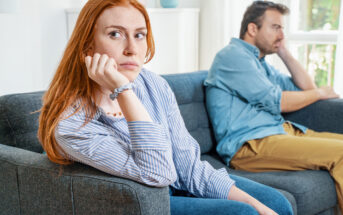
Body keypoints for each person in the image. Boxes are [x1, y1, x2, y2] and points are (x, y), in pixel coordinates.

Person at [38, 0, 293, 214]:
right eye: (115, 34)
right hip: (144, 201)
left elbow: (187, 166)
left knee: (275, 203)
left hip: (176, 183)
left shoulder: (152, 84)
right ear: (87, 44)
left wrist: (255, 203)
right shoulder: (70, 123)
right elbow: (159, 174)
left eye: (139, 35)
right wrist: (123, 91)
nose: (132, 49)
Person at [205, 0, 343, 212]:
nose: (281, 34)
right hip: (250, 144)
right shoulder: (232, 57)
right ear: (253, 28)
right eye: (275, 27)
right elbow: (278, 101)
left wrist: (284, 53)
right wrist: (319, 93)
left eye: (282, 28)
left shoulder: (260, 64)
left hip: (280, 133)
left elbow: (305, 87)